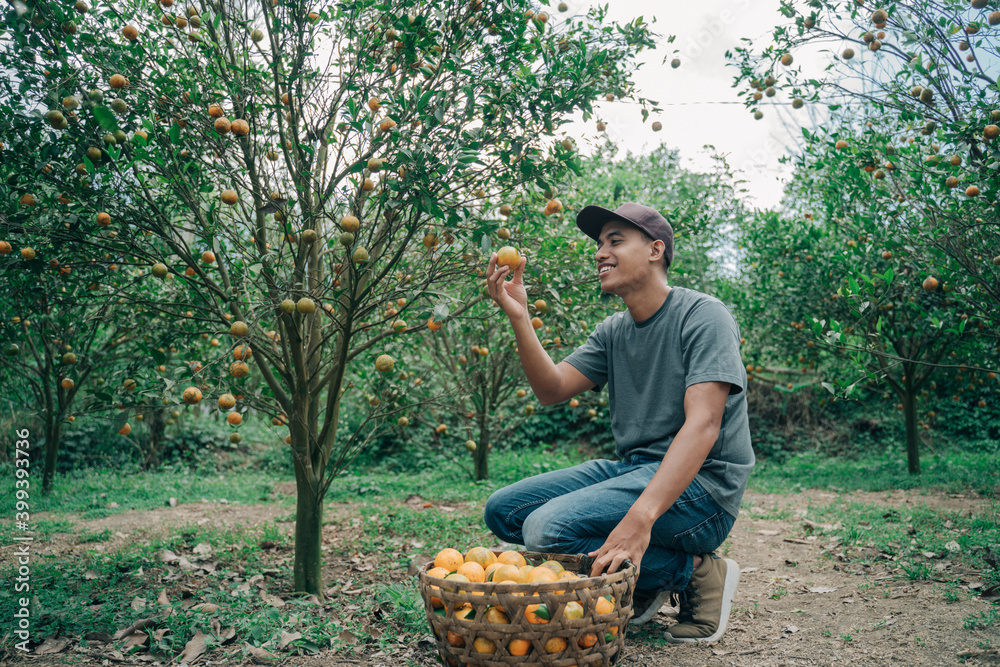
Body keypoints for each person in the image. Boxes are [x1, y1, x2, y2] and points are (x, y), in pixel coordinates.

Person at [482, 202, 753, 643]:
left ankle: (696, 573)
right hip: (634, 468)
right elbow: (551, 389)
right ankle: (652, 577)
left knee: (547, 529)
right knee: (506, 511)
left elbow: (704, 425)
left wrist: (640, 518)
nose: (600, 253)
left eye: (615, 241)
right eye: (598, 244)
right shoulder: (613, 330)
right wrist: (519, 316)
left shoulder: (704, 316)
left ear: (654, 250)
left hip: (703, 489)